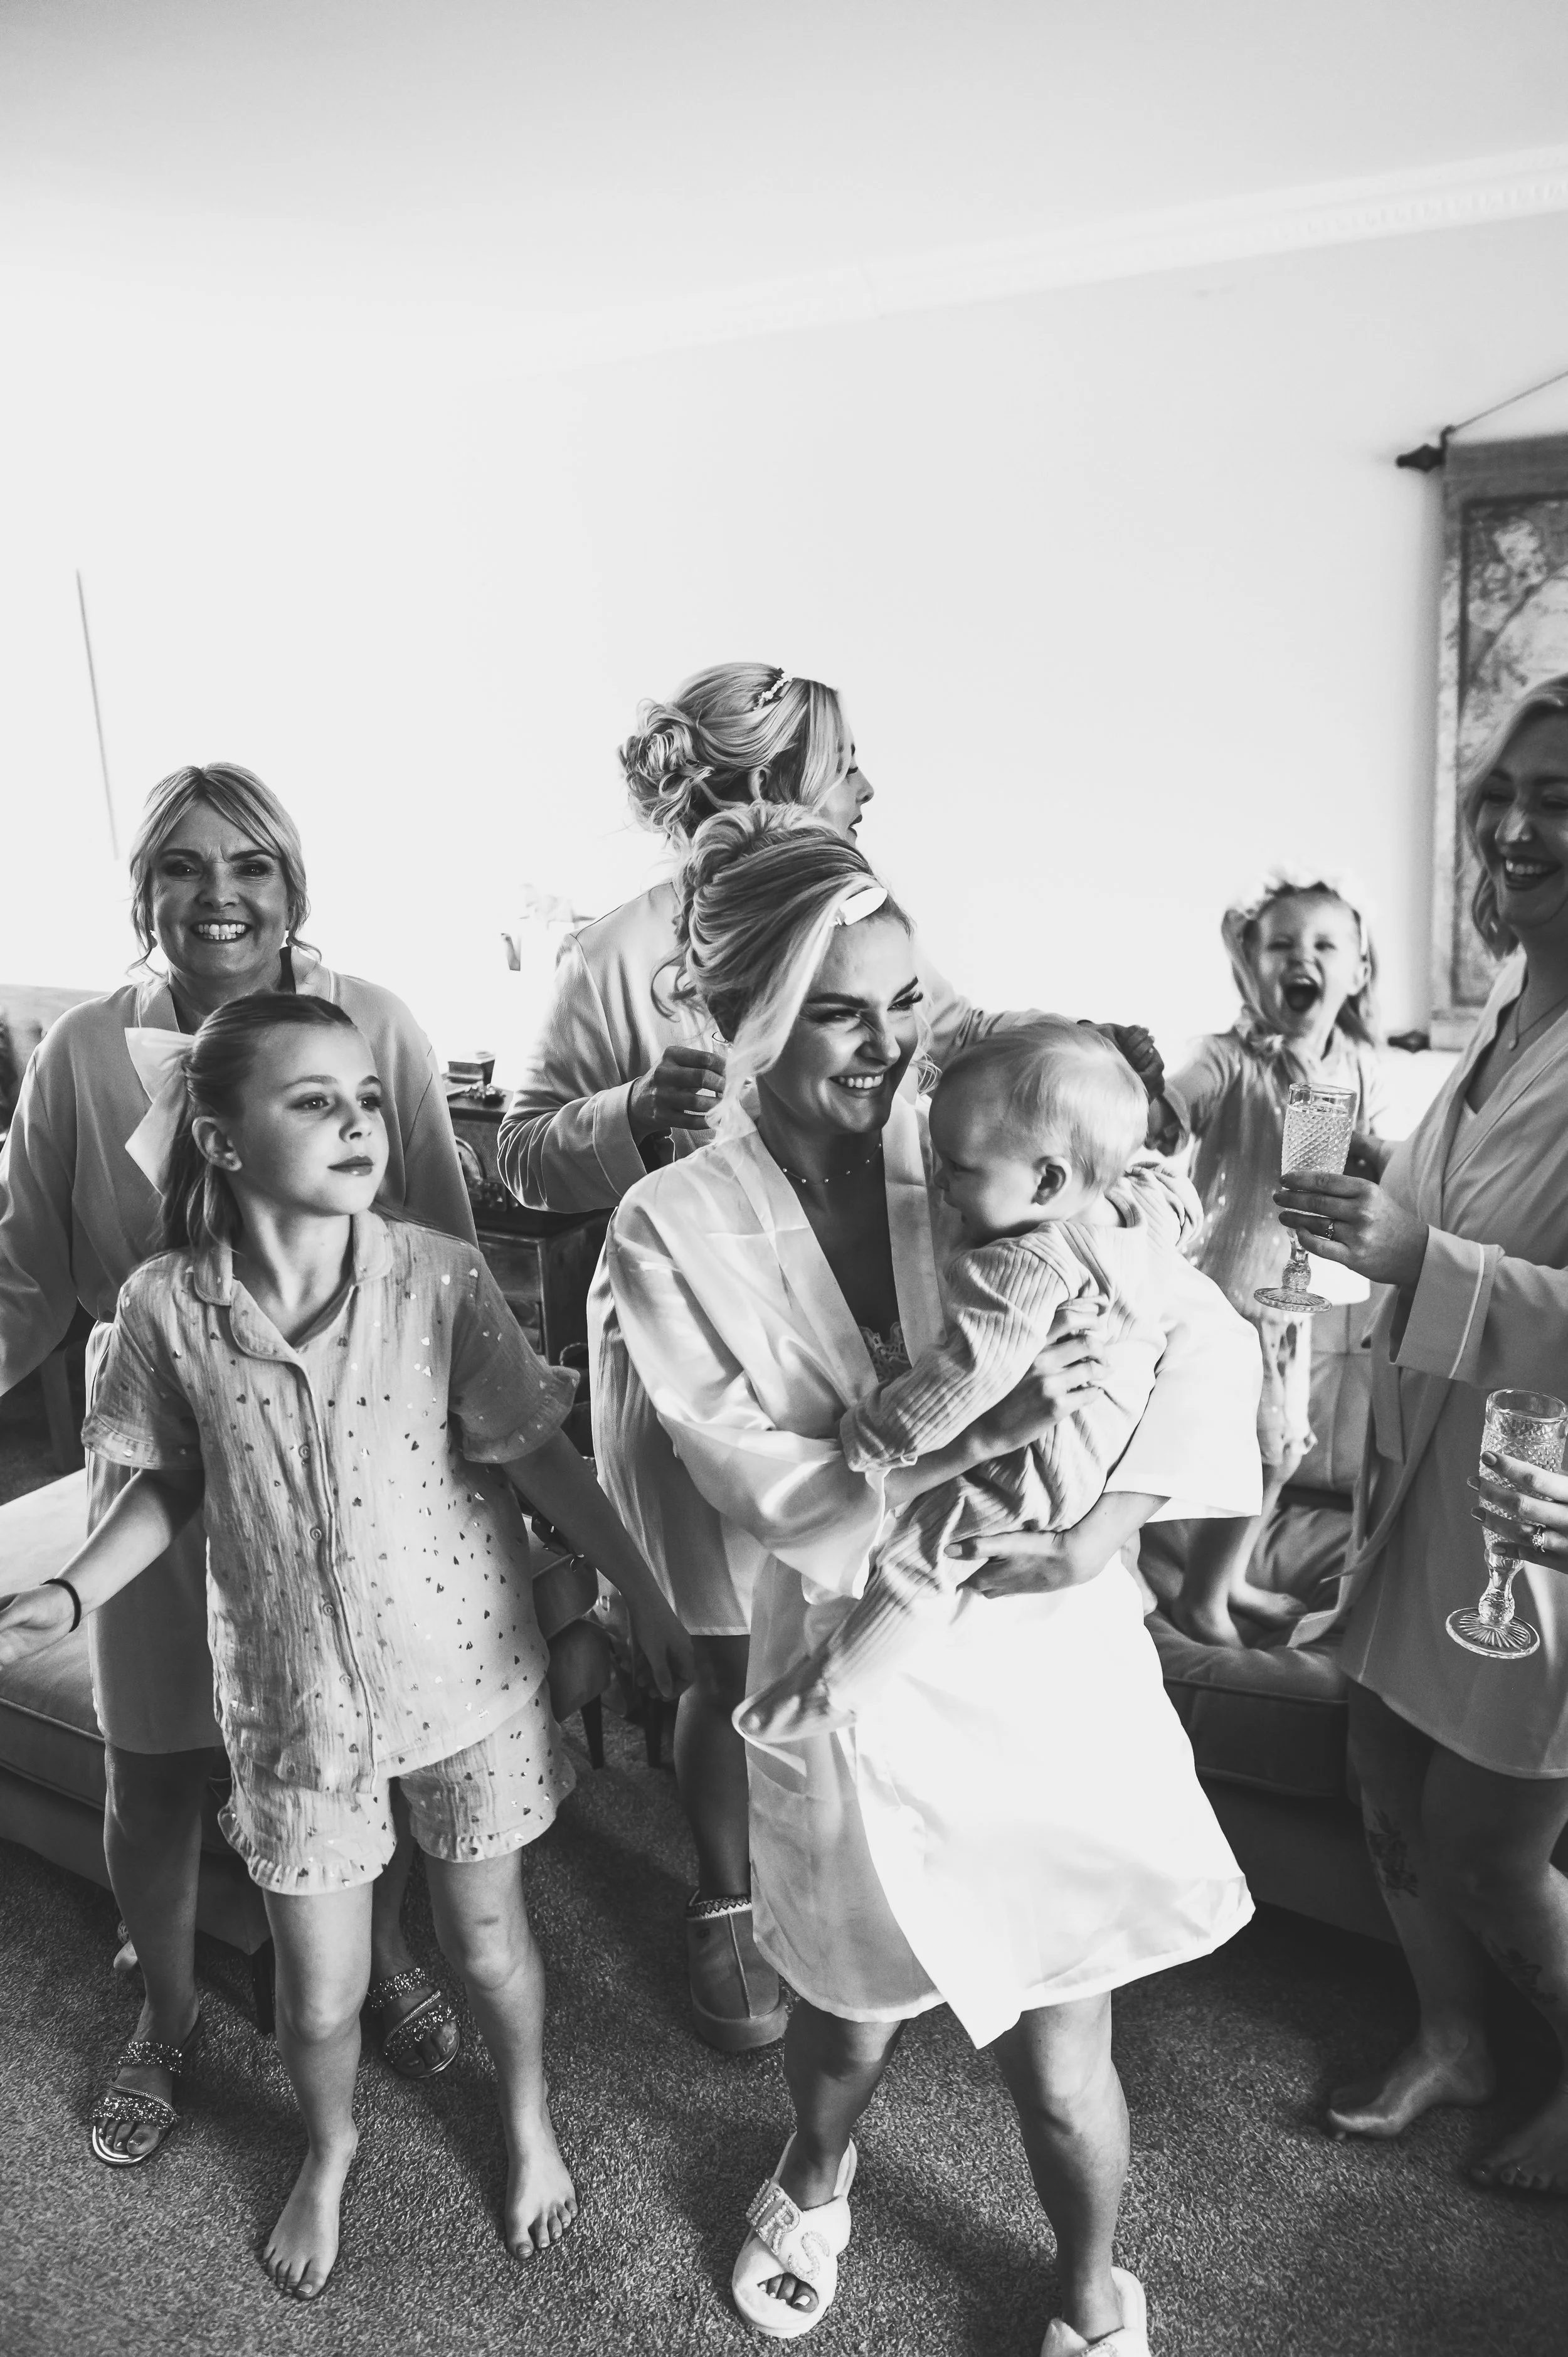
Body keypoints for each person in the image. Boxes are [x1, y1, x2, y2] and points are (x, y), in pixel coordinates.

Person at [591, 807, 1261, 2348]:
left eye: (903, 1000)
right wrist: (982, 1440)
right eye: (841, 1010)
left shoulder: (990, 1125)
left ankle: (1092, 2283)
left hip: (1040, 1638)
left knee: (1061, 2037)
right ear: (738, 1009)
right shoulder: (667, 1226)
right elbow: (751, 1472)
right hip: (852, 1629)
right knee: (842, 1993)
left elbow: (1202, 1331)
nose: (890, 1043)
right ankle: (816, 2167)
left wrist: (1111, 1523)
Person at [500, 659, 1163, 2053]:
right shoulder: (611, 958)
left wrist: (1102, 1159)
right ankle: (738, 1901)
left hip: (897, 1401)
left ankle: (914, 1891)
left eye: (899, 1006)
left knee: (873, 1647)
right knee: (730, 1647)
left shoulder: (891, 967)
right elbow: (521, 1150)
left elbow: (1018, 1109)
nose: (863, 785)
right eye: (843, 762)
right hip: (708, 1332)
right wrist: (632, 1114)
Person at [0, 993, 693, 2299]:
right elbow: (163, 1485)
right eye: (312, 1100)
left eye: (367, 1097)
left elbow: (532, 1448)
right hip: (293, 1709)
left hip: (466, 1684)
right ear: (217, 1134)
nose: (357, 1121)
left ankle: (527, 2114)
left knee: (486, 1946)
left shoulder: (439, 1276)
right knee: (316, 1999)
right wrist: (73, 1594)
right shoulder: (165, 1309)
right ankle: (329, 2148)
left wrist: (635, 1582)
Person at [0, 763, 478, 2162]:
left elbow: (441, 1247)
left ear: (292, 887)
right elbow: (26, 1276)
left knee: (355, 1750)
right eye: (186, 868)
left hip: (345, 1457)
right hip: (151, 1447)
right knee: (151, 1762)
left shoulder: (373, 1022)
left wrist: (481, 1460)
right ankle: (164, 2005)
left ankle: (378, 1961)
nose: (220, 896)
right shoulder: (82, 1053)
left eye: (250, 866)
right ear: (143, 892)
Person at [1274, 674, 1568, 2195]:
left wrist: (1419, 1257)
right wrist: (1387, 1191)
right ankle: (1453, 2033)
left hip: (1542, 1510)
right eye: (1503, 792)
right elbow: (1485, 1210)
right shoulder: (1512, 1012)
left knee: (1482, 1839)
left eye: (1559, 799)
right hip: (1427, 1466)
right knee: (1378, 1758)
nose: (1515, 825)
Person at [737, 1019, 1254, 1740]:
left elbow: (961, 1381)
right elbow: (1175, 1188)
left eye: (958, 1166)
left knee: (923, 1553)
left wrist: (866, 1436)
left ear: (1046, 1181)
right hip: (1097, 1457)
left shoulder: (1019, 1269)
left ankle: (835, 1686)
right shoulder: (1141, 1214)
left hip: (1034, 1473)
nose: (939, 1178)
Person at [1147, 877, 1389, 1646]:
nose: (1302, 957)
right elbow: (1174, 1103)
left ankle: (1227, 1578)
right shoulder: (1227, 1059)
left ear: (1355, 970)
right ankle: (1201, 1602)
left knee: (1282, 1451)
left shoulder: (1354, 1065)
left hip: (1293, 1294)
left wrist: (1381, 1163)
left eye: (1324, 945)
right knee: (1255, 1445)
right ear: (1251, 965)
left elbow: (1381, 1162)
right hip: (1220, 1292)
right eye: (1281, 943)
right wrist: (1154, 1109)